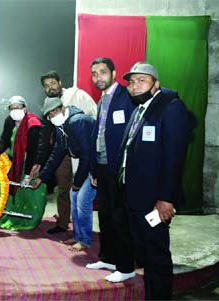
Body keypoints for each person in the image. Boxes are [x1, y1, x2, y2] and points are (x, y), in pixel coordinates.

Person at [120, 62, 191, 300]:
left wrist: (166, 198)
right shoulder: (138, 111)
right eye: (131, 82)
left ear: (156, 84)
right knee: (146, 254)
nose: (134, 86)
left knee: (157, 256)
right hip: (135, 199)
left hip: (155, 201)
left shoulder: (170, 108)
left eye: (142, 80)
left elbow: (174, 157)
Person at [86, 57, 136, 282]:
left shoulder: (126, 96)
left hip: (119, 168)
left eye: (103, 72)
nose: (98, 78)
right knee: (104, 215)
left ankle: (126, 267)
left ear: (114, 73)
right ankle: (108, 257)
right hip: (103, 167)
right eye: (95, 74)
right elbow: (99, 135)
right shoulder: (102, 100)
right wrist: (95, 170)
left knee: (119, 217)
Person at [31, 70, 97, 235]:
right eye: (46, 86)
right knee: (64, 188)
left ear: (60, 82)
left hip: (86, 151)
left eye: (53, 83)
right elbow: (52, 147)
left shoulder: (78, 97)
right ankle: (63, 222)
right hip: (65, 149)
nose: (50, 88)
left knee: (81, 193)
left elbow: (95, 118)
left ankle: (82, 233)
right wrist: (41, 175)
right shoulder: (50, 109)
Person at [0, 96, 45, 230]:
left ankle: (31, 220)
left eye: (18, 107)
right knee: (13, 191)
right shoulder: (9, 120)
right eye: (12, 108)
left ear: (25, 108)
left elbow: (34, 149)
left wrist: (28, 174)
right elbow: (5, 139)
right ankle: (12, 216)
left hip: (31, 163)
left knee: (30, 192)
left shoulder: (33, 123)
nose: (15, 110)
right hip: (15, 162)